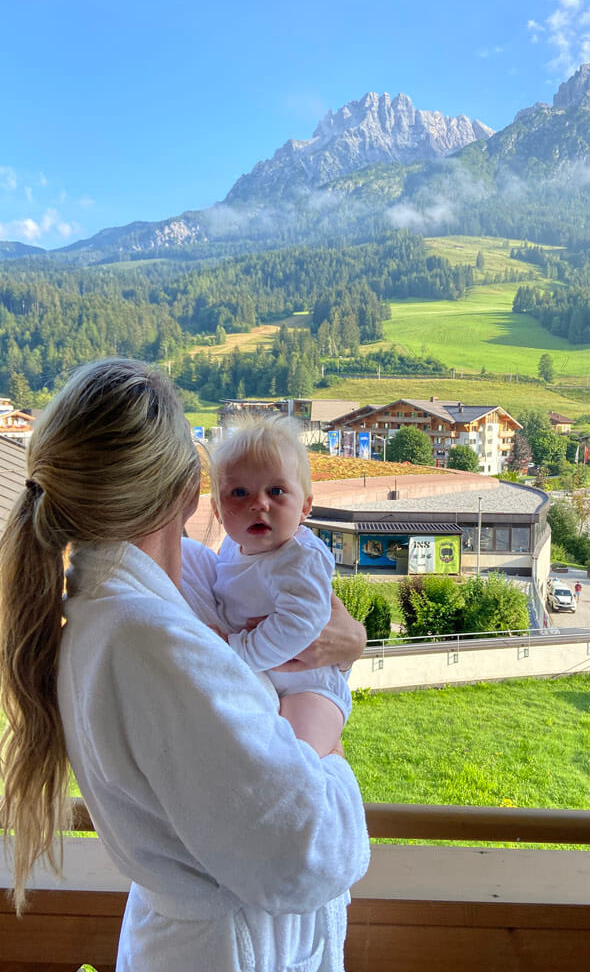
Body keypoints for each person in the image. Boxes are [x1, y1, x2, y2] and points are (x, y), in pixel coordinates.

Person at [0, 358, 369, 971]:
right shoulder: (151, 642)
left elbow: (253, 606)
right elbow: (306, 853)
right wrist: (323, 753)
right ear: (193, 493)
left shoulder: (117, 607)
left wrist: (346, 645)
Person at [208, 415, 350, 757]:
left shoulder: (300, 558)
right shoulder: (230, 548)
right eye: (239, 492)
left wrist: (237, 650)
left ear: (305, 507)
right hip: (268, 681)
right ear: (216, 509)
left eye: (276, 491)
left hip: (310, 688)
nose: (259, 504)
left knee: (295, 760)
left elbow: (299, 624)